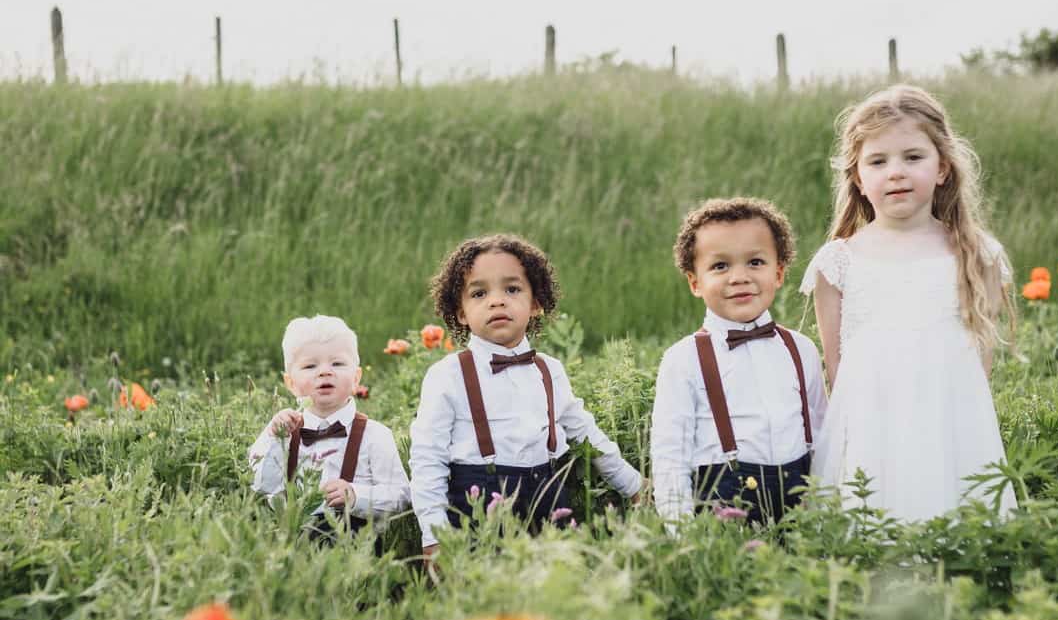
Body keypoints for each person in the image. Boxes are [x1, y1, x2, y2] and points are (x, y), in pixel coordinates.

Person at [800, 84, 1016, 520]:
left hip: (950, 426)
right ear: (859, 179)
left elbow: (980, 369)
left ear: (942, 168)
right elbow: (836, 368)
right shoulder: (838, 262)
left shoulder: (978, 255)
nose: (895, 172)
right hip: (871, 431)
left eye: (913, 157)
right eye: (878, 161)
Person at [410, 234, 644, 563]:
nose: (496, 301)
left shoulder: (550, 370)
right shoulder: (448, 375)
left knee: (558, 586)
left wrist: (632, 484)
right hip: (480, 504)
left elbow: (584, 432)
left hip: (550, 496)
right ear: (460, 312)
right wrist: (434, 536)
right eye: (479, 293)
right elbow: (427, 459)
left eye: (512, 289)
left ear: (535, 303)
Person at [651, 197, 827, 527]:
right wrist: (683, 534)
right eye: (720, 266)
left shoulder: (801, 349)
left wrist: (824, 514)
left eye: (755, 262)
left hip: (803, 509)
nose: (739, 277)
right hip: (723, 512)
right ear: (695, 282)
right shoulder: (683, 359)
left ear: (778, 273)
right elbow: (670, 457)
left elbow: (821, 437)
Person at [248, 315, 411, 542]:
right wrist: (275, 440)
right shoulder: (281, 431)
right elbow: (261, 486)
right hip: (292, 543)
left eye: (337, 363)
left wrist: (356, 496)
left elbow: (401, 495)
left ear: (356, 378)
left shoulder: (375, 435)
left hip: (356, 548)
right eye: (310, 366)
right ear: (291, 383)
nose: (325, 372)